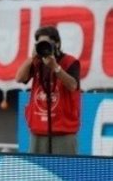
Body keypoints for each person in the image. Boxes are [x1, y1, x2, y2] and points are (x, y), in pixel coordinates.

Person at [15, 26, 80, 154]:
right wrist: (32, 58)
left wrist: (55, 67)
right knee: (37, 171)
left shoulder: (70, 61)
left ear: (57, 43)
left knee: (64, 171)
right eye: (39, 43)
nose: (43, 46)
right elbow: (19, 78)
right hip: (38, 129)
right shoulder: (37, 62)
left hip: (63, 131)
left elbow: (73, 85)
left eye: (46, 43)